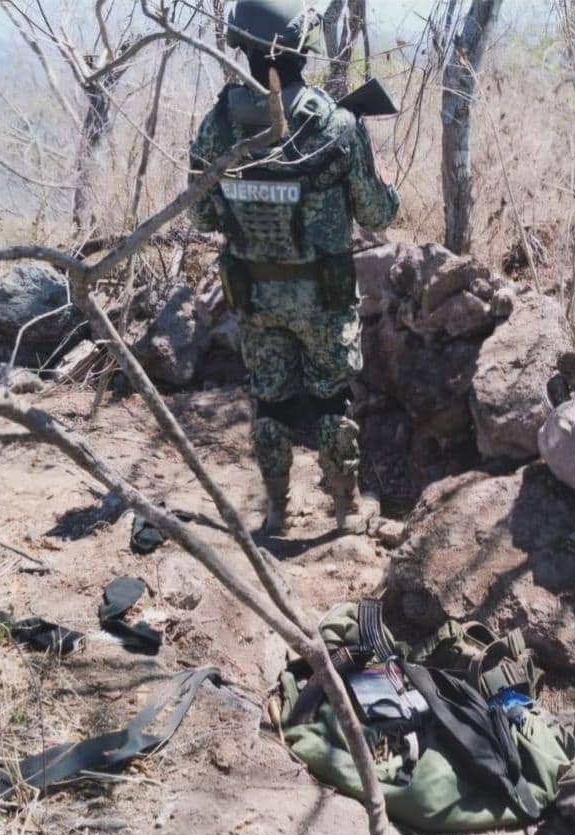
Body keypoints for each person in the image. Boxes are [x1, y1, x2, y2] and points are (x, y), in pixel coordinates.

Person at [187, 0, 399, 535]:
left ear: (243, 47)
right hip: (323, 300)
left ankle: (278, 511)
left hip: (256, 300)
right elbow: (377, 214)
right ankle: (347, 509)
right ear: (303, 48)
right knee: (332, 400)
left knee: (271, 403)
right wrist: (379, 178)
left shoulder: (218, 127)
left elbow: (201, 215)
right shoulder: (337, 126)